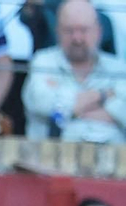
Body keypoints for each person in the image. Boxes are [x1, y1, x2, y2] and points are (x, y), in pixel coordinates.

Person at [23, 0, 126, 143]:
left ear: (99, 31)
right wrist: (102, 96)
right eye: (69, 30)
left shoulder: (119, 68)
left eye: (84, 30)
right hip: (49, 160)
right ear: (57, 30)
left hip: (113, 161)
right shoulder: (43, 61)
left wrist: (68, 112)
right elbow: (41, 103)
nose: (77, 38)